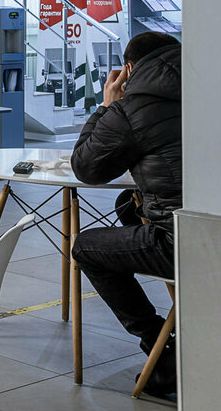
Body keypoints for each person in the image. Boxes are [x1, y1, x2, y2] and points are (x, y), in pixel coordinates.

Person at [71, 31, 181, 401]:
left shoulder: (131, 109)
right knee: (126, 203)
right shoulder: (205, 87)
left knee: (86, 247)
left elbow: (86, 167)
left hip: (183, 241)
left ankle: (161, 347)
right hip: (208, 222)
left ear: (129, 69)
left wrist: (106, 107)